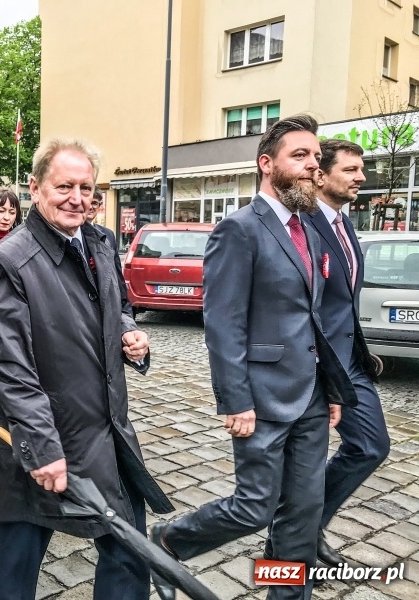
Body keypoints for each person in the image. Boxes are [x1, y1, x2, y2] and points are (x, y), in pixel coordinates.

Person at [149, 115, 357, 600]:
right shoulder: (238, 229)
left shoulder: (309, 229)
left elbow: (314, 317)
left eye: (315, 156)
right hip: (261, 397)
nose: (313, 165)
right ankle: (167, 542)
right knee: (254, 507)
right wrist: (235, 399)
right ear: (267, 163)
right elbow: (223, 323)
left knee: (303, 513)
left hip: (310, 395)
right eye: (299, 156)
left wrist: (331, 387)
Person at [0, 138, 173, 600]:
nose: (77, 198)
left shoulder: (101, 242)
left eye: (86, 188)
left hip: (109, 431)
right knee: (19, 555)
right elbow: (10, 365)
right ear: (35, 188)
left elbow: (118, 306)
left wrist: (130, 334)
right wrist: (43, 447)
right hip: (45, 435)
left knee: (129, 554)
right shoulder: (8, 260)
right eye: (64, 186)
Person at [301, 139, 390, 565]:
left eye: (361, 169)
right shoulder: (302, 226)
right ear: (321, 175)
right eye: (351, 169)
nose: (361, 177)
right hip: (315, 363)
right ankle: (294, 541)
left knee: (371, 446)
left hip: (349, 361)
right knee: (302, 465)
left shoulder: (344, 225)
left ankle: (309, 526)